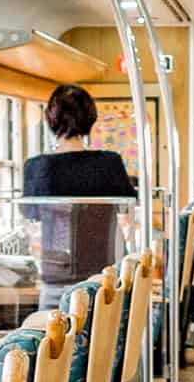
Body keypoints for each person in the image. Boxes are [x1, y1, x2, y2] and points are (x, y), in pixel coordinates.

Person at [21, 79, 137, 289]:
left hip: (57, 273)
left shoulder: (36, 167)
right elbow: (128, 218)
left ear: (51, 118)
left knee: (48, 321)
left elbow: (32, 225)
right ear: (90, 118)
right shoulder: (109, 163)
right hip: (106, 275)